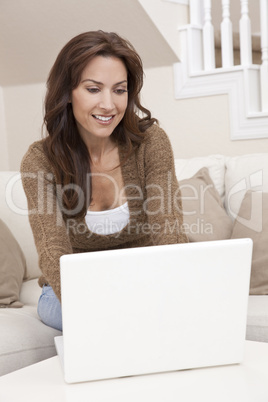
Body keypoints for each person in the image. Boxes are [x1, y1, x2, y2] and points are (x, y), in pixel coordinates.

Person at [20, 30, 188, 331]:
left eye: (119, 90)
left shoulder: (150, 142)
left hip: (142, 280)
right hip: (70, 292)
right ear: (68, 92)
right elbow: (52, 251)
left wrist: (174, 292)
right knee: (102, 318)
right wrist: (94, 308)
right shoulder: (39, 161)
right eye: (93, 89)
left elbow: (169, 232)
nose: (109, 105)